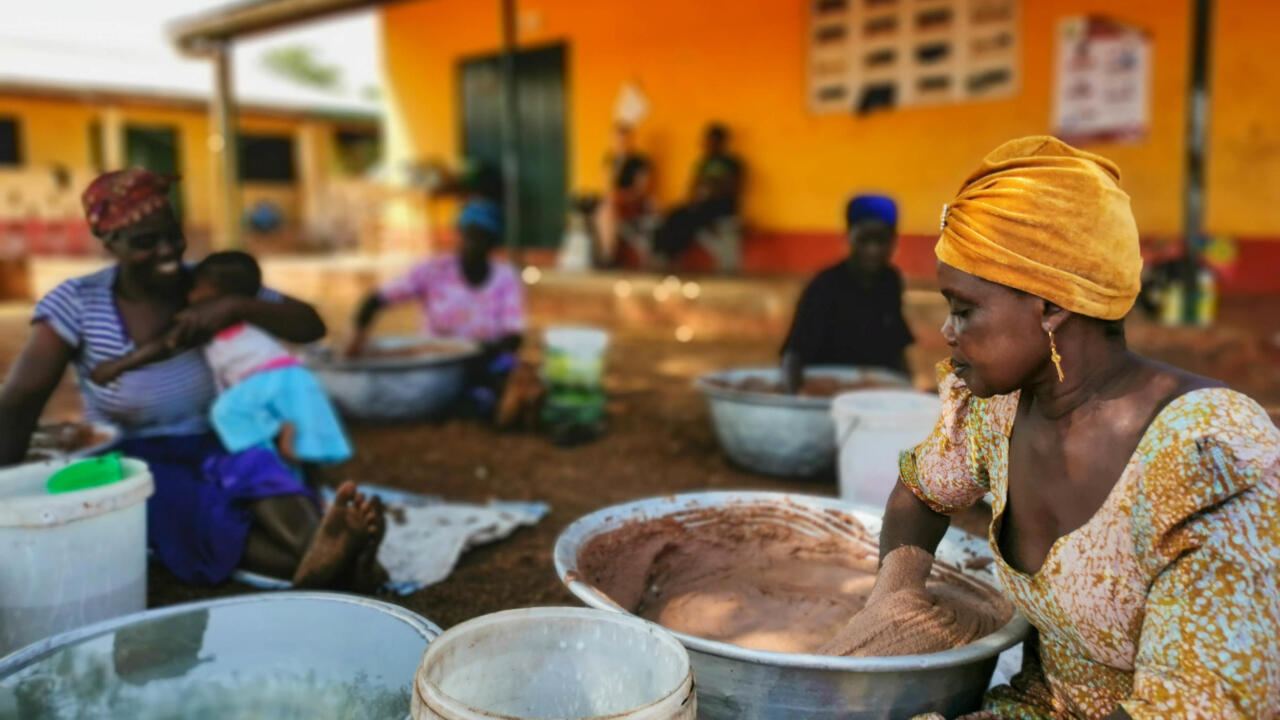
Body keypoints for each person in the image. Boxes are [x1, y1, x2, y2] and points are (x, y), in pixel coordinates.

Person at [855, 137, 1279, 718]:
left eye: (964, 308)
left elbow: (1199, 706)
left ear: (1052, 306)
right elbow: (921, 493)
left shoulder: (1206, 461)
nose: (948, 332)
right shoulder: (998, 409)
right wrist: (894, 598)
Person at [0, 169, 385, 591]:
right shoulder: (78, 303)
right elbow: (21, 399)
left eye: (172, 235)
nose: (167, 251)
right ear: (108, 242)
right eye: (146, 242)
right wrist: (7, 496)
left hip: (219, 435)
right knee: (188, 508)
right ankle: (336, 562)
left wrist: (237, 305)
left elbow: (311, 325)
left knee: (260, 470)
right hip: (132, 454)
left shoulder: (209, 284)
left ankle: (321, 545)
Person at [90, 251, 352, 468]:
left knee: (226, 412)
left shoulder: (206, 318)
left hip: (268, 377)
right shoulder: (243, 311)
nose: (189, 294)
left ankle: (271, 446)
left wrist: (120, 364)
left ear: (221, 295)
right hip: (285, 376)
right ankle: (295, 477)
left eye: (195, 288)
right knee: (294, 462)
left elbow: (165, 345)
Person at [349, 201, 525, 419]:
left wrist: (479, 351)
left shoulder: (505, 277)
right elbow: (376, 300)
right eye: (468, 235)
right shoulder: (433, 271)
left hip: (485, 359)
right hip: (438, 363)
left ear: (493, 243)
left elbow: (514, 336)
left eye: (482, 238)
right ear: (458, 235)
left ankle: (479, 398)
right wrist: (357, 337)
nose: (473, 244)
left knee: (507, 373)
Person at [781, 194, 913, 391]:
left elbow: (897, 345)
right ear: (848, 238)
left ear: (894, 241)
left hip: (875, 389)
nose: (873, 250)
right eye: (864, 240)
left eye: (881, 240)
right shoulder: (825, 286)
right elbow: (794, 354)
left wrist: (907, 389)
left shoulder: (890, 281)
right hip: (827, 389)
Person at [654, 123, 744, 268]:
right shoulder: (703, 163)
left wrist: (710, 188)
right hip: (700, 205)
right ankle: (665, 255)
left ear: (721, 142)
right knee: (675, 214)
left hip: (722, 206)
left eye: (712, 141)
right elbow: (693, 186)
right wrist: (696, 197)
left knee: (689, 218)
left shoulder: (732, 163)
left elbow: (732, 188)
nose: (708, 145)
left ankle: (670, 255)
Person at [594, 123, 655, 266]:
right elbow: (608, 186)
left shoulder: (640, 161)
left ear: (630, 139)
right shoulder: (610, 160)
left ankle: (608, 255)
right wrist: (617, 166)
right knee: (605, 208)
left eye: (623, 139)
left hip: (632, 203)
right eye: (616, 139)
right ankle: (608, 254)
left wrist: (621, 196)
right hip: (614, 203)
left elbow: (641, 190)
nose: (620, 143)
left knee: (607, 207)